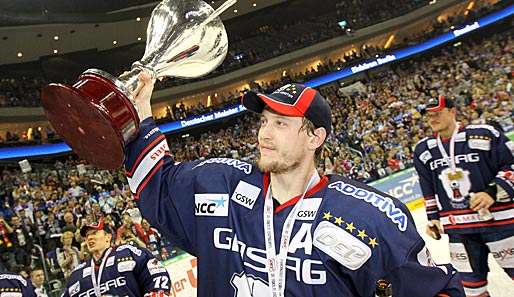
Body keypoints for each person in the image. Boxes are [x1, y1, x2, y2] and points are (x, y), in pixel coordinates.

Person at [124, 73, 464, 296]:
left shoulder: (367, 216)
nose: (264, 134)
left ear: (315, 137)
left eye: (281, 124)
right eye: (264, 121)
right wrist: (138, 114)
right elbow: (156, 185)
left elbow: (437, 288)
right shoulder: (220, 185)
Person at [413, 96, 514, 296]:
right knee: (471, 288)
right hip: (459, 230)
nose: (432, 119)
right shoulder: (423, 150)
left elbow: (511, 165)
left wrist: (493, 191)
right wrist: (433, 218)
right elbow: (428, 186)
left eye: (437, 113)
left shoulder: (485, 134)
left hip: (501, 223)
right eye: (429, 116)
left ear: (452, 112)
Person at [62, 218, 171, 297]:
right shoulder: (77, 274)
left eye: (94, 233)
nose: (90, 237)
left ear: (108, 237)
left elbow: (157, 274)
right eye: (87, 236)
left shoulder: (128, 252)